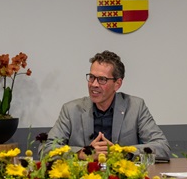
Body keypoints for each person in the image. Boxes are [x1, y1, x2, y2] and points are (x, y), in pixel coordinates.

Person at [41, 50, 171, 161]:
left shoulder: (136, 107)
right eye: (91, 77)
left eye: (102, 79)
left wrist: (121, 152)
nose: (94, 84)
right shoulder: (71, 110)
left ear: (117, 84)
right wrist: (82, 153)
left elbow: (162, 147)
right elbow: (46, 148)